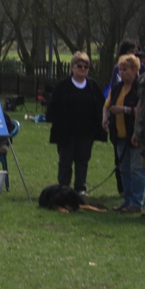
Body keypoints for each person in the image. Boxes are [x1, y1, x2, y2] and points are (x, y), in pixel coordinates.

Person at [46, 52, 106, 196]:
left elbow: (101, 105)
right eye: (79, 66)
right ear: (72, 67)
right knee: (65, 161)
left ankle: (80, 188)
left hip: (86, 132)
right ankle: (63, 187)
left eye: (86, 66)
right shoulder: (63, 85)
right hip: (66, 131)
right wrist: (54, 124)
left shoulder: (92, 86)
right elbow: (53, 107)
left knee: (82, 161)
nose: (83, 69)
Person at [103, 54, 143, 213]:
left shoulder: (140, 88)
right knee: (124, 169)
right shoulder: (117, 87)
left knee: (136, 169)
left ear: (134, 70)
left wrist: (125, 110)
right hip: (119, 135)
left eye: (125, 69)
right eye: (120, 69)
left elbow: (141, 110)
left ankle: (136, 202)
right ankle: (127, 200)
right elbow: (107, 105)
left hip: (136, 136)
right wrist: (105, 118)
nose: (122, 72)